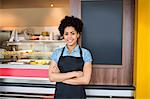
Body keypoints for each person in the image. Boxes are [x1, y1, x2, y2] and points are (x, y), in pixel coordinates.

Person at [48, 16, 93, 99]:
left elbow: (85, 80)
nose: (69, 37)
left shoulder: (85, 53)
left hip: (78, 95)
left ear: (78, 35)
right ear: (63, 35)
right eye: (66, 34)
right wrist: (75, 74)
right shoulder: (57, 53)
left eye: (72, 33)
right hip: (60, 95)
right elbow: (51, 77)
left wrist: (60, 78)